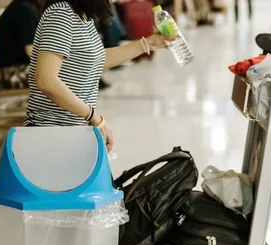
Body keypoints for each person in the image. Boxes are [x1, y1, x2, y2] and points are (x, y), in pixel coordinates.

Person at [24, 0, 172, 153]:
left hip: (73, 131)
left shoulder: (81, 16)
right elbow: (46, 80)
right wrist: (92, 115)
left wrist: (147, 44)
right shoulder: (61, 14)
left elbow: (95, 60)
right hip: (52, 134)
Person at [0, 0, 45, 89]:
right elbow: (30, 50)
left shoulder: (22, 5)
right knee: (66, 75)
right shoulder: (24, 10)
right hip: (14, 74)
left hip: (13, 70)